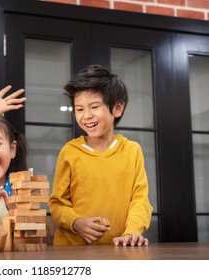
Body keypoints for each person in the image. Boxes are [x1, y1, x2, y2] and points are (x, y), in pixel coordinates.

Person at [49, 64, 153, 247]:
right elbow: (57, 203)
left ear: (117, 108)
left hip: (119, 252)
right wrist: (76, 223)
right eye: (79, 109)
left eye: (94, 107)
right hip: (72, 253)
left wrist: (133, 232)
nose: (86, 116)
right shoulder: (69, 152)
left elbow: (140, 200)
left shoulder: (132, 151)